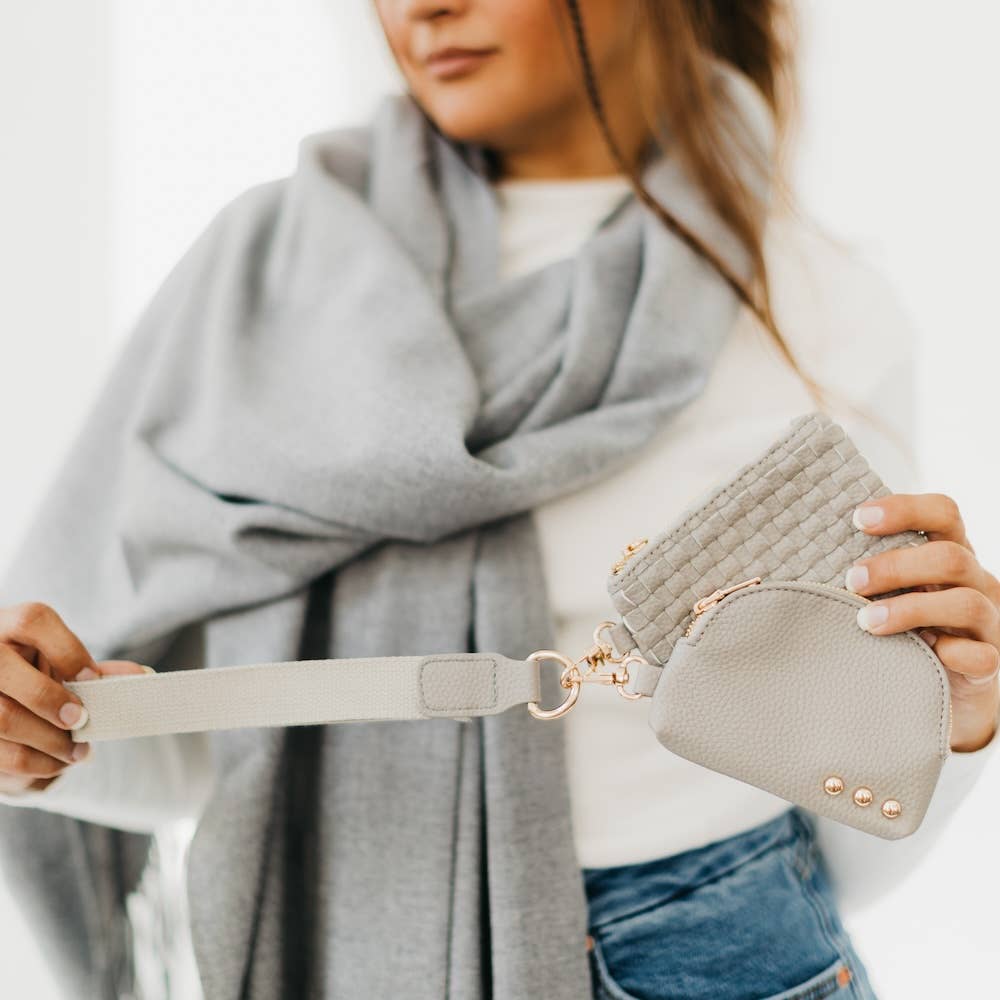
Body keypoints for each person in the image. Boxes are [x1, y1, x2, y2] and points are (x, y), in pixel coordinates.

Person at [1, 2, 998, 998]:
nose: (422, 7)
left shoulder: (817, 308)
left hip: (724, 946)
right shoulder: (262, 275)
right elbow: (225, 760)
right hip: (339, 939)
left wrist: (947, 725)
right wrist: (43, 730)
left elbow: (849, 841)